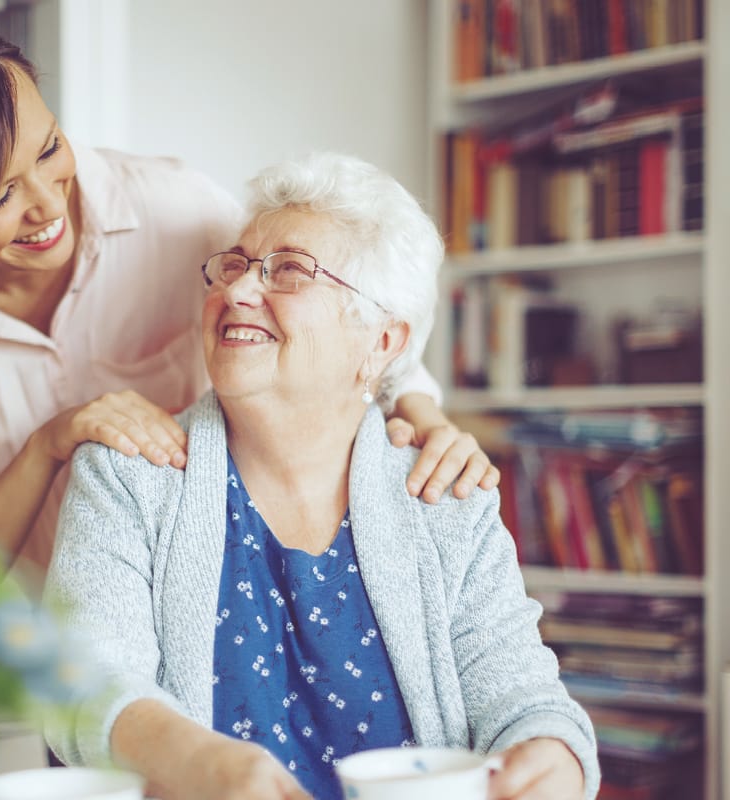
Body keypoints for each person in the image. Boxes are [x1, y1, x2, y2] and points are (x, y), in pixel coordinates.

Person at [0, 11, 499, 568]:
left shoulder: (175, 212)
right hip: (30, 679)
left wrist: (429, 421)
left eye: (48, 150)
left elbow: (336, 318)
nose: (47, 206)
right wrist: (49, 445)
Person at [43, 152, 598, 800]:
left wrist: (553, 755)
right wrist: (203, 764)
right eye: (235, 266)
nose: (238, 292)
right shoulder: (128, 474)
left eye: (288, 272)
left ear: (382, 343)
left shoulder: (445, 497)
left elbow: (523, 695)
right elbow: (80, 684)